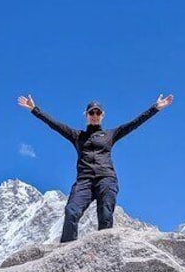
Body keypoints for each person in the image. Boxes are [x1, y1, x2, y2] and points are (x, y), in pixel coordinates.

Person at [17, 94, 173, 242]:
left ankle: (105, 249)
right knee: (71, 211)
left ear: (102, 115)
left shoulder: (110, 134)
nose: (94, 115)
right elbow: (54, 125)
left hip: (106, 179)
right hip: (84, 181)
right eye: (91, 112)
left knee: (105, 215)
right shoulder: (77, 135)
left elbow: (134, 124)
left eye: (98, 112)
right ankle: (66, 252)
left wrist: (155, 108)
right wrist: (34, 109)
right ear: (86, 115)